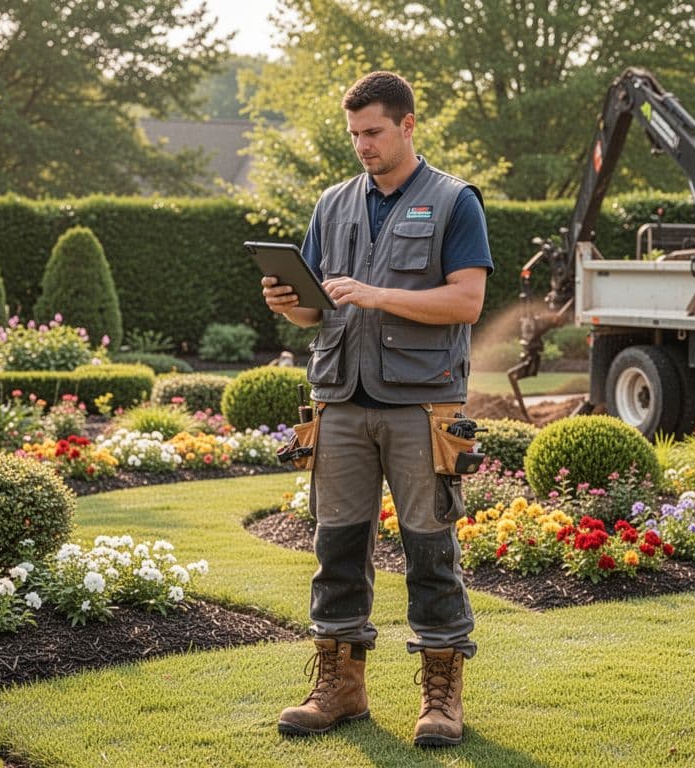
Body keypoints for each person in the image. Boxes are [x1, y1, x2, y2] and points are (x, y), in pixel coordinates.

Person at [259, 70, 492, 747]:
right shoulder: (331, 204)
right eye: (354, 133)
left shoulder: (454, 202)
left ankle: (441, 695)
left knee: (429, 550)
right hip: (339, 401)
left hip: (422, 406)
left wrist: (376, 292)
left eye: (374, 132)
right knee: (335, 548)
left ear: (408, 125)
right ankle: (340, 687)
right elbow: (317, 306)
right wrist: (290, 303)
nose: (362, 145)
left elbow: (466, 302)